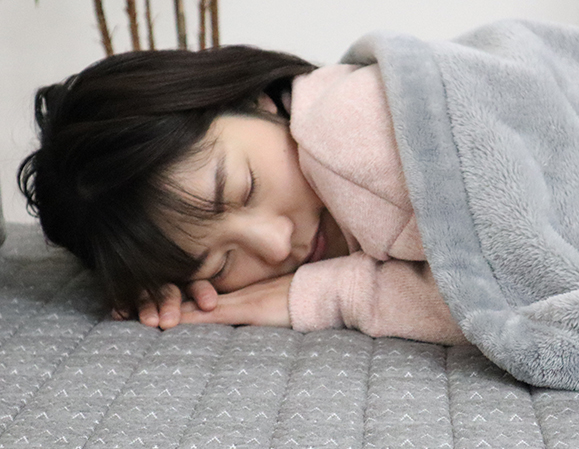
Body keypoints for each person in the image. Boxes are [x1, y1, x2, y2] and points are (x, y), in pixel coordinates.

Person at [17, 46, 466, 345]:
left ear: (256, 101)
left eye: (245, 187)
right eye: (221, 264)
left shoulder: (350, 119)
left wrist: (334, 294)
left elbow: (498, 298)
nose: (276, 244)